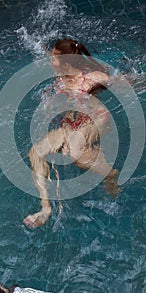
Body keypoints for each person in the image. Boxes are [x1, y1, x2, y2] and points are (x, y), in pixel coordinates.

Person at [24, 39, 119, 228]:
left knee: (75, 154)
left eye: (53, 58)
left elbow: (118, 81)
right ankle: (45, 209)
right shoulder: (61, 75)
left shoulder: (91, 78)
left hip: (96, 119)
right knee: (35, 153)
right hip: (71, 122)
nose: (50, 61)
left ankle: (110, 174)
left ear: (66, 63)